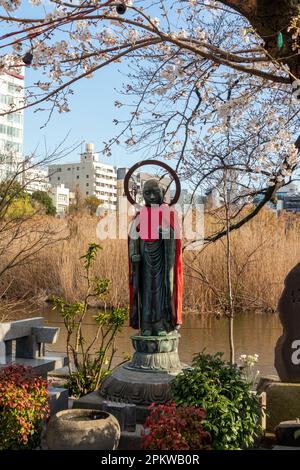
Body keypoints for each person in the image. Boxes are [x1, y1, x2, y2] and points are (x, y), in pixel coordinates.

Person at [128, 179, 183, 336]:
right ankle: (146, 326)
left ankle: (162, 325)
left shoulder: (169, 212)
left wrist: (163, 232)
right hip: (144, 261)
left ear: (163, 194)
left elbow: (174, 236)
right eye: (147, 193)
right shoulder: (140, 214)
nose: (151, 197)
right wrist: (134, 254)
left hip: (163, 260)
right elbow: (133, 237)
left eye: (155, 193)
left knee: (161, 292)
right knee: (146, 293)